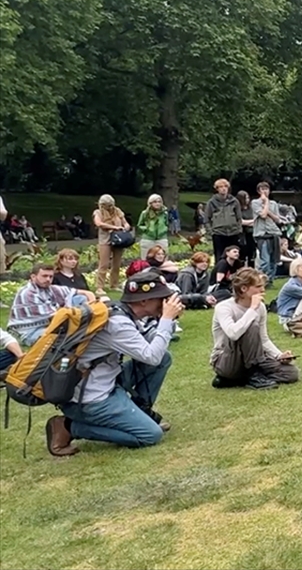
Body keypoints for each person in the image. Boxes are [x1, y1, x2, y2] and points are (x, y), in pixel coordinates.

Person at [48, 270, 181, 456]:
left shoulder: (119, 311)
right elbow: (151, 356)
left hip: (105, 380)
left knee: (164, 358)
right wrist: (166, 320)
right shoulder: (118, 323)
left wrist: (166, 319)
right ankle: (69, 426)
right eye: (161, 298)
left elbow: (147, 344)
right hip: (91, 399)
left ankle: (140, 411)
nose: (165, 303)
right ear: (144, 301)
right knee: (150, 435)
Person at [210, 268, 299, 390]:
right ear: (244, 288)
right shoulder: (224, 307)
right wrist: (252, 309)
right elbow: (233, 333)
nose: (262, 290)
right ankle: (250, 375)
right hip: (227, 359)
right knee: (251, 326)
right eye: (258, 286)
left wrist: (279, 355)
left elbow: (263, 339)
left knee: (291, 373)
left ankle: (241, 379)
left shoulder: (260, 307)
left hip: (255, 358)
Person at [7, 263, 95, 346]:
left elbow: (86, 293)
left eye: (50, 276)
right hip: (29, 331)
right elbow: (56, 317)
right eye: (44, 276)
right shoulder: (28, 293)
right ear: (33, 277)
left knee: (80, 298)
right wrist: (82, 313)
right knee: (64, 337)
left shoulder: (51, 288)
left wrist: (92, 304)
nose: (48, 279)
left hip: (50, 323)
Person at [93, 194, 131, 294]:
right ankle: (99, 287)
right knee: (103, 264)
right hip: (105, 240)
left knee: (117, 264)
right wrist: (114, 227)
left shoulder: (118, 211)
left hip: (118, 240)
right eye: (106, 205)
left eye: (110, 205)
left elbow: (125, 223)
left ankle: (114, 285)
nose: (109, 207)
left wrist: (126, 227)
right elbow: (99, 224)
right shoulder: (98, 212)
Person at [136, 194, 171, 260]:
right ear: (150, 203)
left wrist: (164, 229)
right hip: (148, 238)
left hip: (162, 237)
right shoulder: (145, 213)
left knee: (163, 257)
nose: (157, 204)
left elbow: (166, 223)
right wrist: (147, 229)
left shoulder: (165, 213)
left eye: (159, 202)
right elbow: (139, 225)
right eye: (155, 202)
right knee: (145, 258)